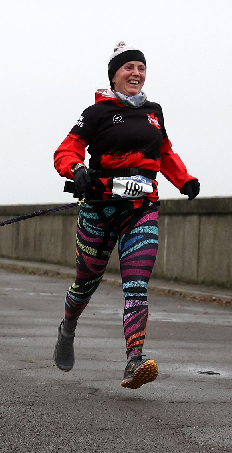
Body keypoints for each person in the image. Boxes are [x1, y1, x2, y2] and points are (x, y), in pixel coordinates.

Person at [52, 41, 200, 389]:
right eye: (129, 68)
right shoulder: (96, 113)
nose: (136, 73)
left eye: (141, 68)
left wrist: (185, 179)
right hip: (99, 211)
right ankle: (67, 328)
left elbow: (164, 152)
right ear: (114, 76)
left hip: (141, 210)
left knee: (137, 285)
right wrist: (75, 169)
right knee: (85, 283)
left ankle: (134, 360)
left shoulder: (154, 111)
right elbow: (66, 150)